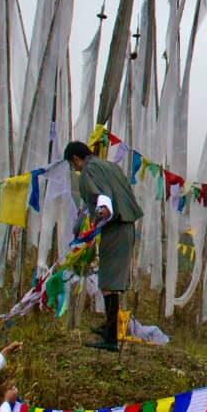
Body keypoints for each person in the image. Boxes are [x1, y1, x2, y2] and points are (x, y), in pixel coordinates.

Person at [63, 140, 143, 352]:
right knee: (111, 279)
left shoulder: (89, 170)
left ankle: (111, 338)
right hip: (124, 225)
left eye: (73, 166)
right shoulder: (109, 166)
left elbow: (103, 196)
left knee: (109, 281)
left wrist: (103, 211)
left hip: (115, 225)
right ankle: (109, 328)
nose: (75, 169)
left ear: (75, 159)